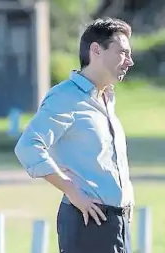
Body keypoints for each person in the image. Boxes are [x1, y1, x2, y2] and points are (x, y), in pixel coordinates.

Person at [14, 17, 135, 253]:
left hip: (117, 225)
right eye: (122, 52)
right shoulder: (65, 97)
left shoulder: (106, 98)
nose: (129, 61)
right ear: (96, 50)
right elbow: (28, 146)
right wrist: (71, 189)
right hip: (88, 225)